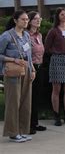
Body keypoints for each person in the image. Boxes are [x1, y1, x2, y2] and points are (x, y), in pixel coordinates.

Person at [0, 10, 35, 142]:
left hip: (26, 70)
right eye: (23, 19)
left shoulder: (26, 35)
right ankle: (12, 132)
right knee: (13, 102)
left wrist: (32, 70)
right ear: (15, 20)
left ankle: (22, 130)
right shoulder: (6, 36)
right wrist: (13, 60)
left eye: (27, 19)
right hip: (13, 72)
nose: (26, 22)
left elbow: (29, 55)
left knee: (26, 101)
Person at [45, 7, 65, 126]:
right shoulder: (53, 31)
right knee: (56, 89)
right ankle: (56, 116)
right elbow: (47, 46)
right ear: (57, 16)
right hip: (57, 59)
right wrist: (56, 51)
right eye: (62, 14)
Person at [27, 11, 47, 134]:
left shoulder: (39, 35)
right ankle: (27, 124)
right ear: (29, 21)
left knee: (36, 97)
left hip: (40, 68)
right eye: (35, 19)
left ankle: (35, 122)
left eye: (39, 18)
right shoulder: (26, 35)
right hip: (30, 68)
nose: (38, 20)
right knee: (29, 97)